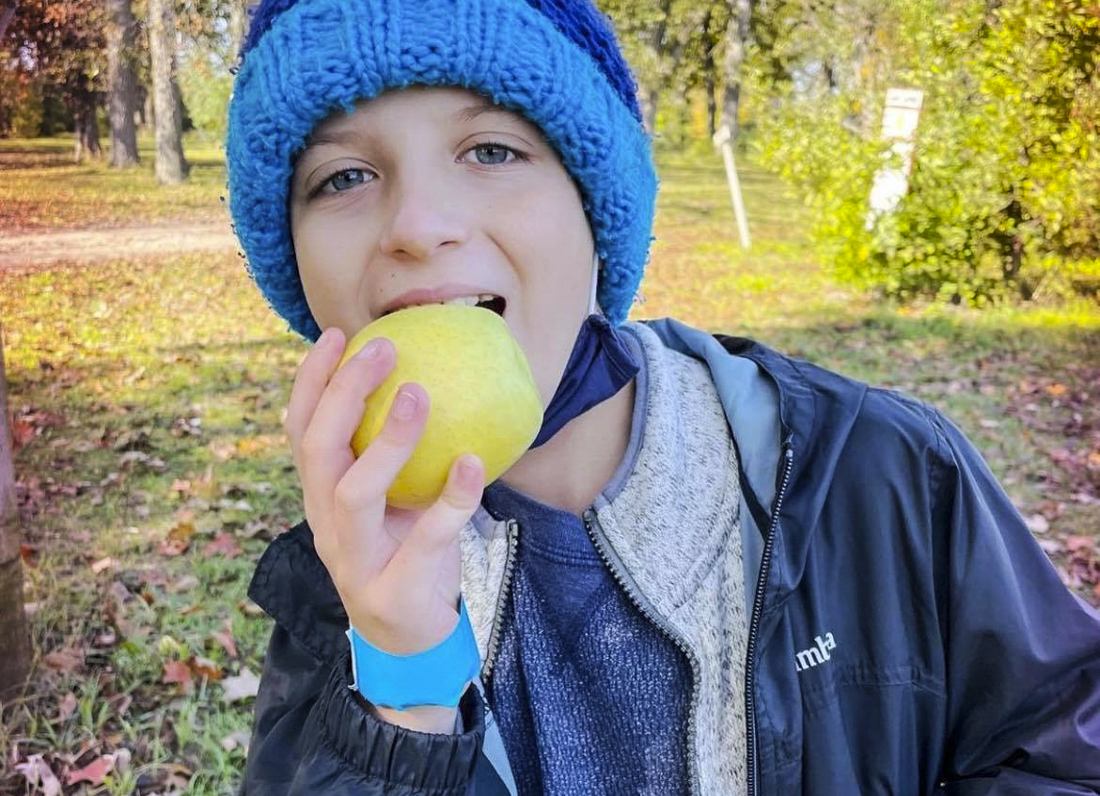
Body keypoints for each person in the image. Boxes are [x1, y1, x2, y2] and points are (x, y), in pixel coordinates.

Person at [225, 1, 1100, 793]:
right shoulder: (341, 585)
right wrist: (401, 684)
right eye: (342, 177)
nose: (416, 225)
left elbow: (1059, 751)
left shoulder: (880, 475)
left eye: (492, 150)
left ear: (595, 213)